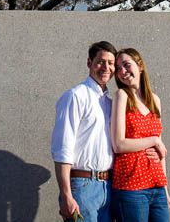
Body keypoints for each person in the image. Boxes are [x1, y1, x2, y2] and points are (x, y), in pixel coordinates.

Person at [51, 41, 117, 221]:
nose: (106, 67)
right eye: (101, 61)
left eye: (111, 63)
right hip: (82, 187)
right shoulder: (75, 96)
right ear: (89, 63)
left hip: (108, 188)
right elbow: (62, 148)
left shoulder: (111, 104)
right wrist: (66, 194)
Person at [110, 48, 170, 222]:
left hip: (157, 186)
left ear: (140, 65)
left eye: (126, 65)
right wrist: (153, 140)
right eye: (119, 68)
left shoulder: (155, 100)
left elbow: (161, 150)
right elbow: (118, 144)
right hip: (131, 187)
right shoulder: (122, 96)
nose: (122, 72)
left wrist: (164, 187)